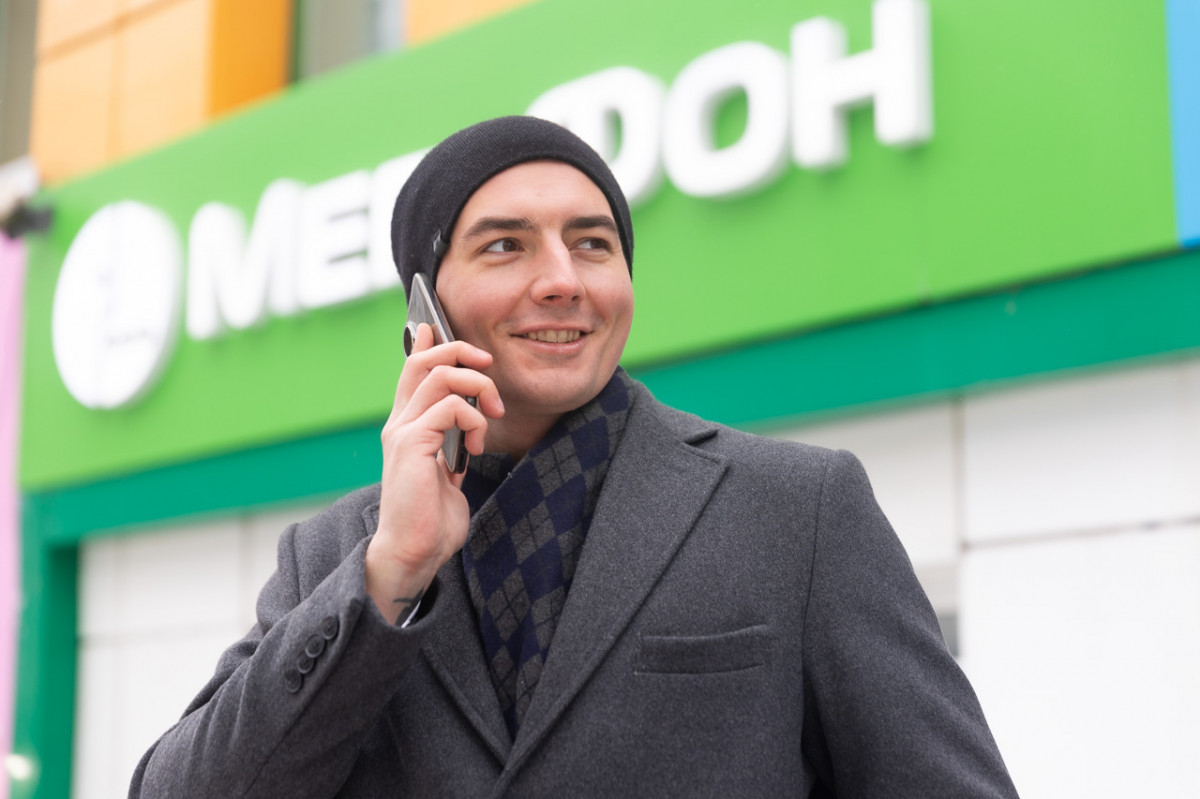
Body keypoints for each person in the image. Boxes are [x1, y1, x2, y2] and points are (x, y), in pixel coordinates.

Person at [130, 116, 1019, 797]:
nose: (563, 278)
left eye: (593, 243)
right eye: (506, 245)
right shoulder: (338, 554)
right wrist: (390, 572)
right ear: (425, 313)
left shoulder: (799, 509)